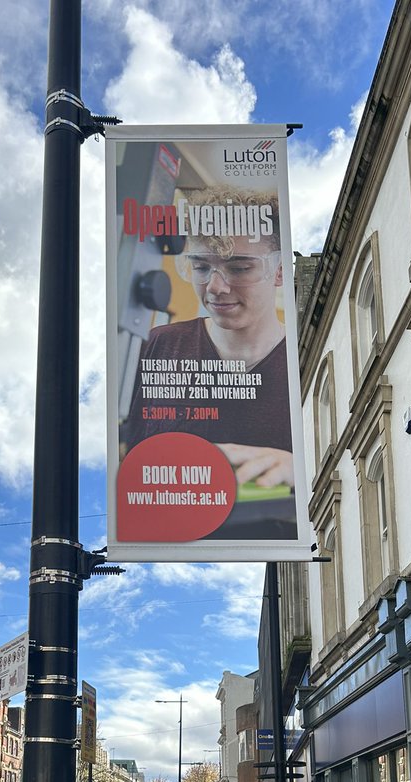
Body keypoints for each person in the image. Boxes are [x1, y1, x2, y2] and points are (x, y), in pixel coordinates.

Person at [120, 186, 295, 539]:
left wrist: (300, 470)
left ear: (278, 272)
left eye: (240, 268)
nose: (215, 287)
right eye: (200, 266)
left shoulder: (310, 355)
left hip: (278, 559)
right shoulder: (156, 347)